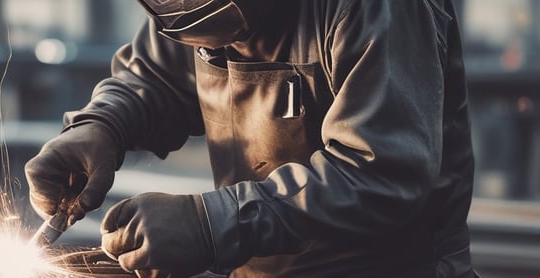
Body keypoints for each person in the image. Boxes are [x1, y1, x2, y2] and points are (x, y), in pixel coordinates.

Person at [25, 0, 476, 277]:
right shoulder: (185, 4)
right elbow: (159, 74)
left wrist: (211, 223)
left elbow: (382, 173)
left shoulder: (376, 7)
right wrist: (102, 125)